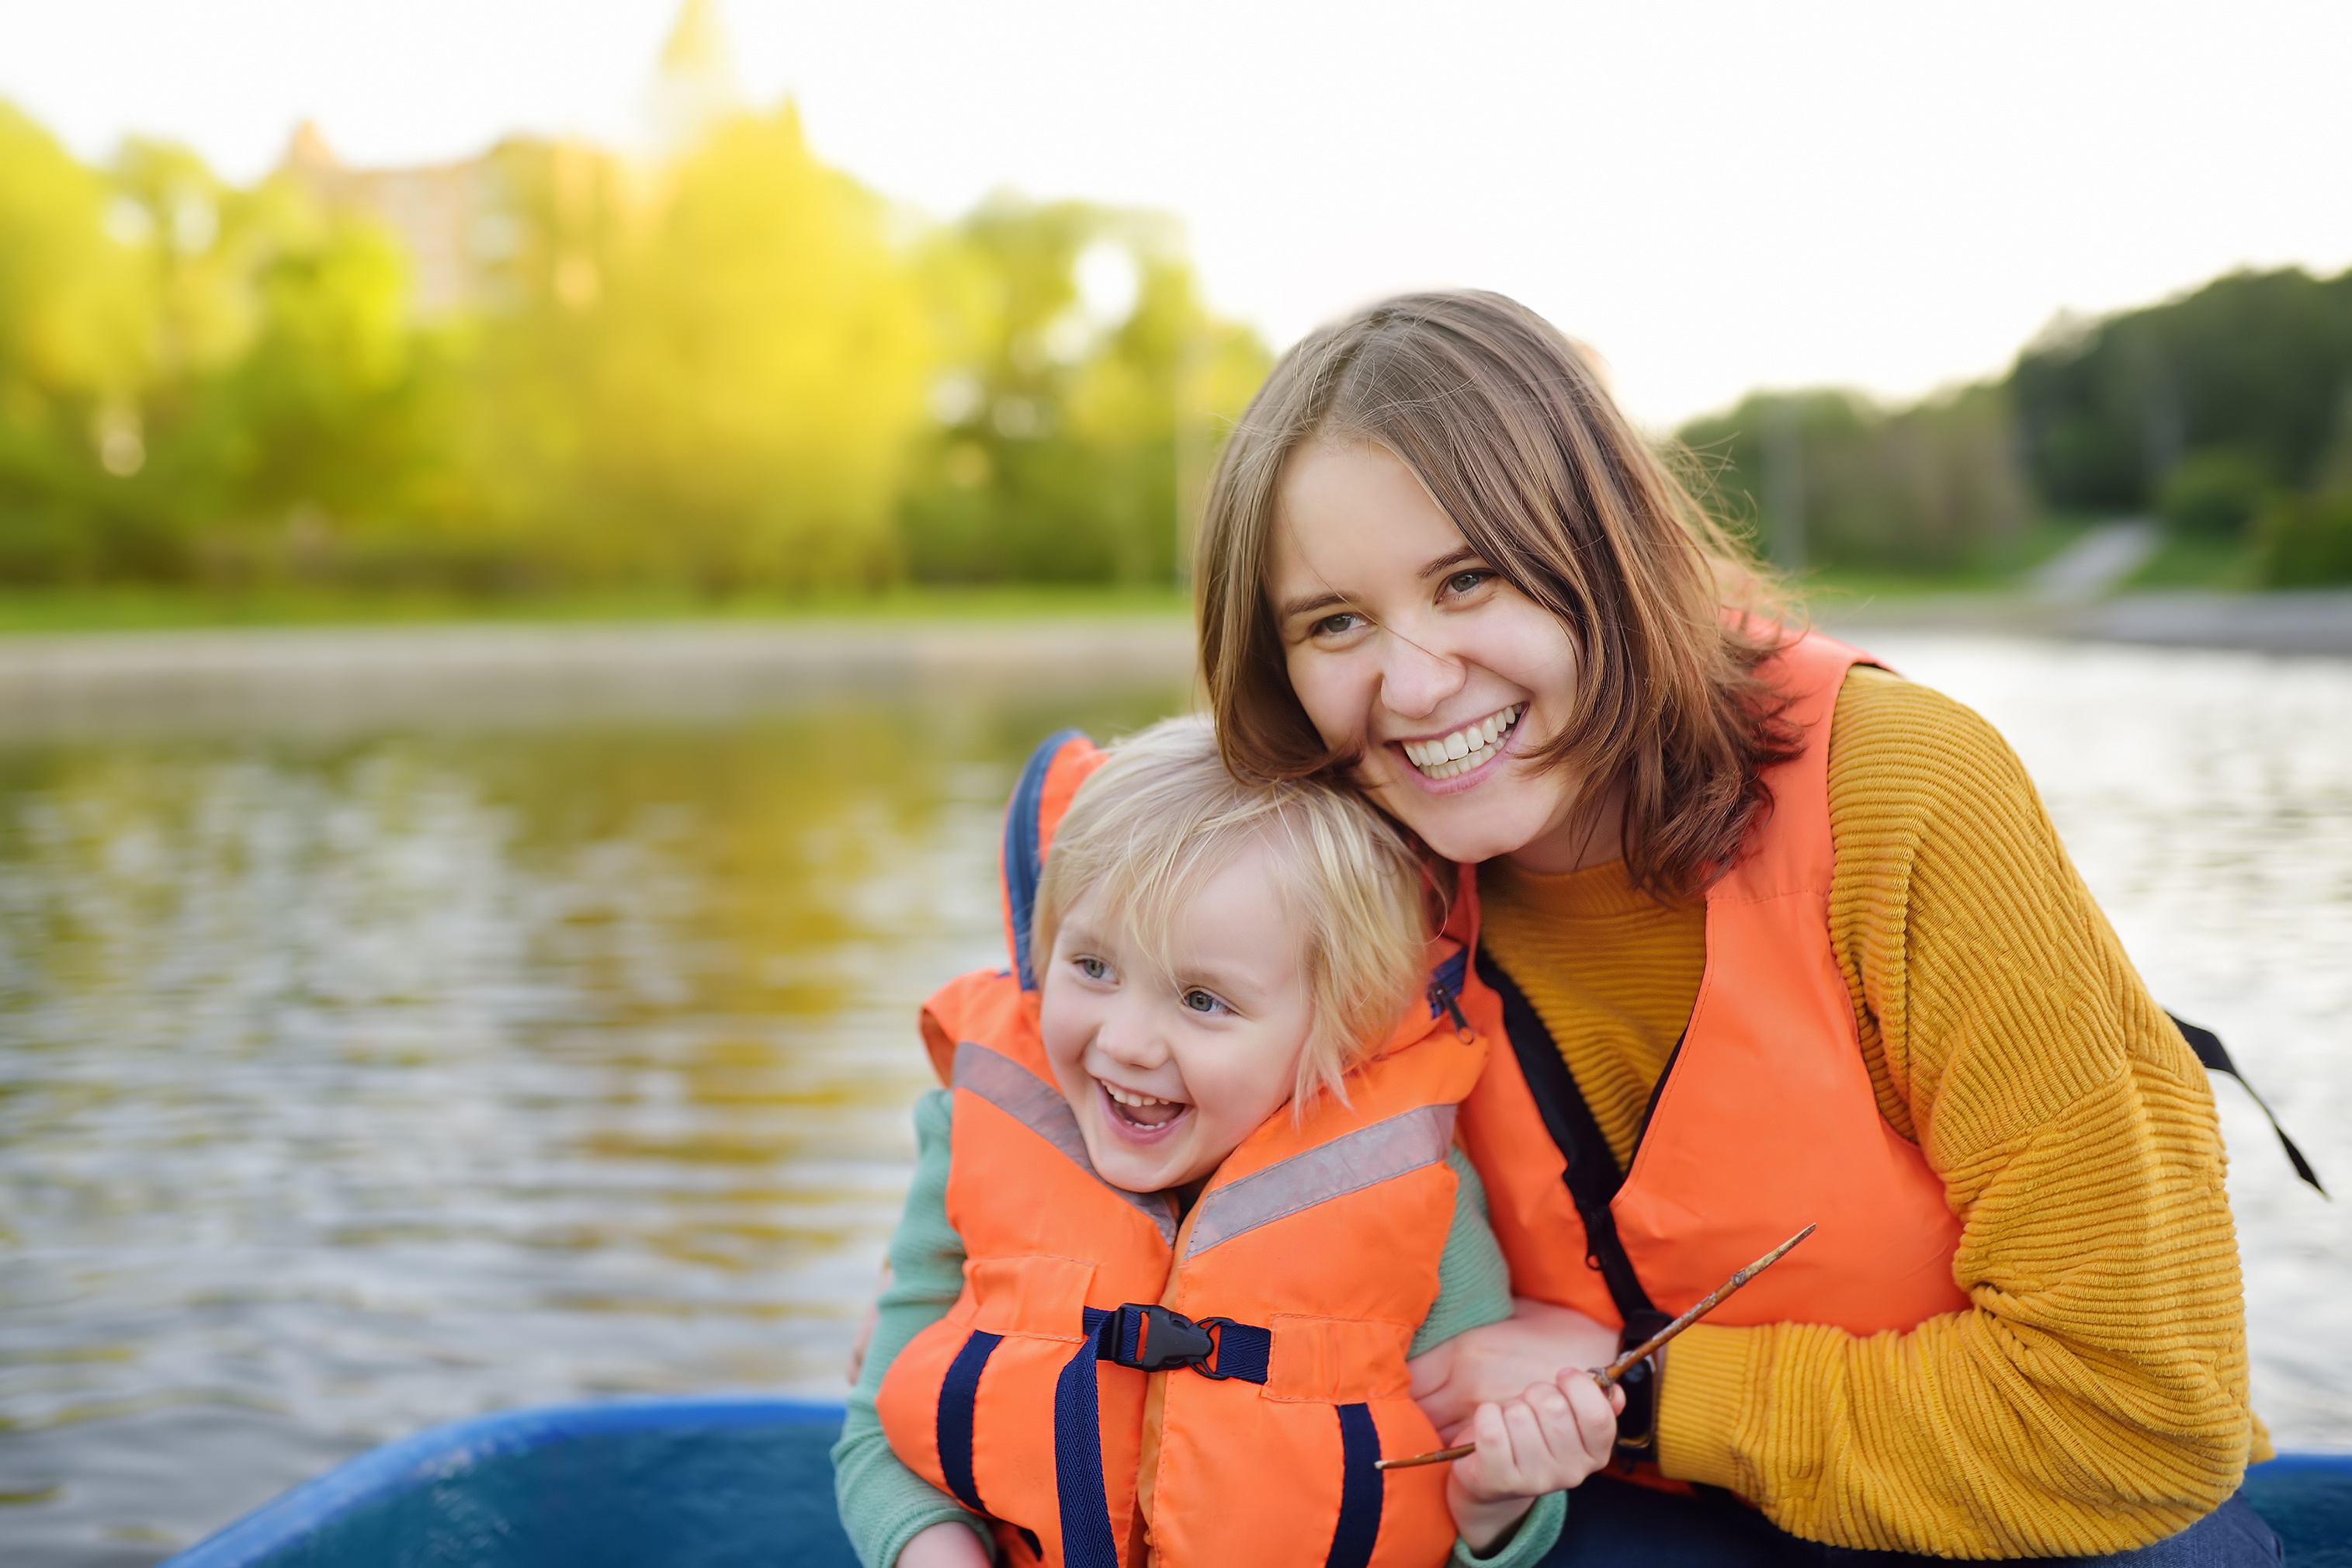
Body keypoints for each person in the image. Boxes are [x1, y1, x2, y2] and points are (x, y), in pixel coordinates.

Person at [1192, 291, 2281, 1565]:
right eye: (1334, 622)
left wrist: (1640, 1396)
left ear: (1604, 549)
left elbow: (2140, 1418)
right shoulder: (1317, 876)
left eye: (1469, 577)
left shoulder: (1907, 792)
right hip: (1606, 1518)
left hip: (2023, 1513)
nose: (1417, 684)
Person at [832, 716, 1628, 1568]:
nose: (1128, 1041)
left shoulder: (1417, 1193)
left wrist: (1498, 1503)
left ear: (1340, 1028)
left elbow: (1473, 1500)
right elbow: (877, 1433)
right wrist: (933, 1551)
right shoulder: (970, 1135)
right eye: (1092, 967)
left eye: (1204, 1000)